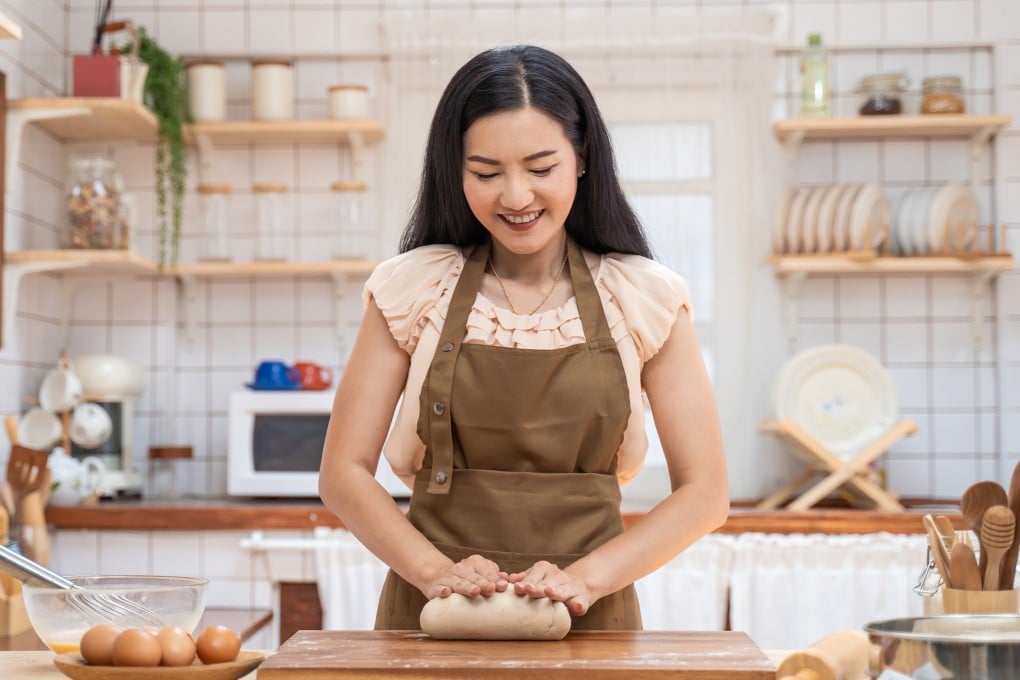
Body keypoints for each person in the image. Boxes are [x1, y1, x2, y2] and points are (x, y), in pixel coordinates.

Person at [319, 44, 728, 631]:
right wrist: (434, 572)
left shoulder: (644, 298)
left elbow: (705, 494)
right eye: (485, 173)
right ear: (454, 171)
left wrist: (584, 580)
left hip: (592, 616)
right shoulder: (412, 288)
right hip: (434, 616)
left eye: (541, 169)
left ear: (582, 158)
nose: (515, 196)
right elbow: (343, 472)